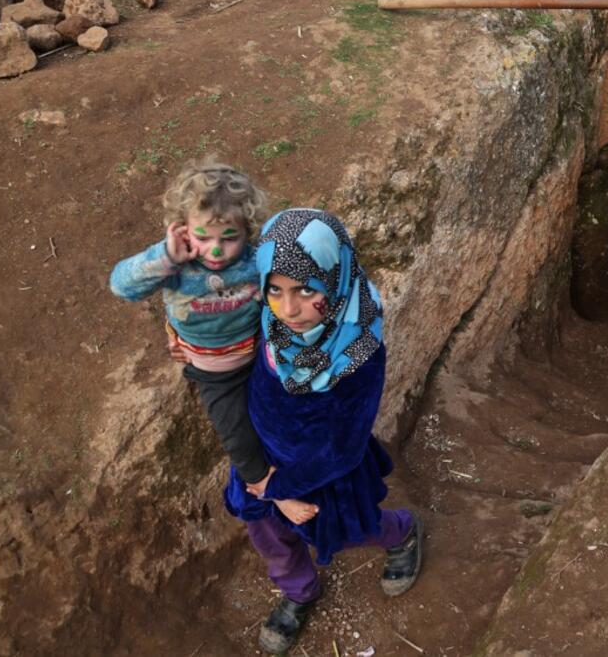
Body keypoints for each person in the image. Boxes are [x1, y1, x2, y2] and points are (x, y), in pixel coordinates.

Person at [225, 208, 423, 655]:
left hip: (322, 477)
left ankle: (403, 532)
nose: (288, 308)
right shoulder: (268, 321)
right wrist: (264, 482)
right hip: (263, 466)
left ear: (335, 280)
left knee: (352, 529)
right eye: (274, 289)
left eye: (305, 290)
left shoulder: (358, 350)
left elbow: (344, 446)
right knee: (270, 538)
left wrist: (280, 488)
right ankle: (299, 590)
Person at [109, 158, 318, 526]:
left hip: (258, 356)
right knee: (235, 430)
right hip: (214, 374)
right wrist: (165, 258)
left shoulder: (255, 260)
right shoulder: (175, 265)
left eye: (229, 238)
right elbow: (121, 286)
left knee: (289, 413)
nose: (216, 251)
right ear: (182, 229)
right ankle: (268, 487)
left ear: (247, 230)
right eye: (202, 237)